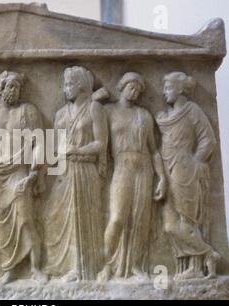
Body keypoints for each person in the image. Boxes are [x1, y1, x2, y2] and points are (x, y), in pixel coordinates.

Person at [97, 72, 166, 283]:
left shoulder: (144, 115)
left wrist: (162, 177)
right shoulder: (107, 111)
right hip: (122, 165)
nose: (134, 92)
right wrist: (95, 97)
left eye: (138, 89)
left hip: (144, 167)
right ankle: (105, 265)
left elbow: (154, 150)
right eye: (131, 87)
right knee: (117, 217)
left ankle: (135, 265)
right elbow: (96, 130)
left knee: (139, 220)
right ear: (121, 86)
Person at [43, 66, 107, 282]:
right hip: (64, 170)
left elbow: (101, 143)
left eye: (69, 84)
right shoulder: (61, 113)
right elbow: (55, 145)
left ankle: (80, 268)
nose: (64, 89)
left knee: (80, 216)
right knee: (54, 216)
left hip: (85, 169)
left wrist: (78, 150)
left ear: (81, 86)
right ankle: (60, 265)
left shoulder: (94, 108)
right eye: (64, 84)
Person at [0, 71, 47, 285]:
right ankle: (8, 270)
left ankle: (36, 268)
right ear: (0, 89)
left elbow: (39, 143)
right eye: (10, 87)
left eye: (18, 87)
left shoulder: (28, 111)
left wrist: (35, 173)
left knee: (26, 219)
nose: (15, 91)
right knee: (0, 225)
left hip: (19, 173)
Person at [156, 72, 220, 280]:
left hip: (185, 170)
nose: (164, 92)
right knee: (169, 225)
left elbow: (208, 140)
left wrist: (194, 162)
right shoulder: (164, 116)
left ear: (181, 89)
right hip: (168, 168)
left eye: (168, 87)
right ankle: (208, 253)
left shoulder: (192, 110)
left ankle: (196, 267)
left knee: (188, 219)